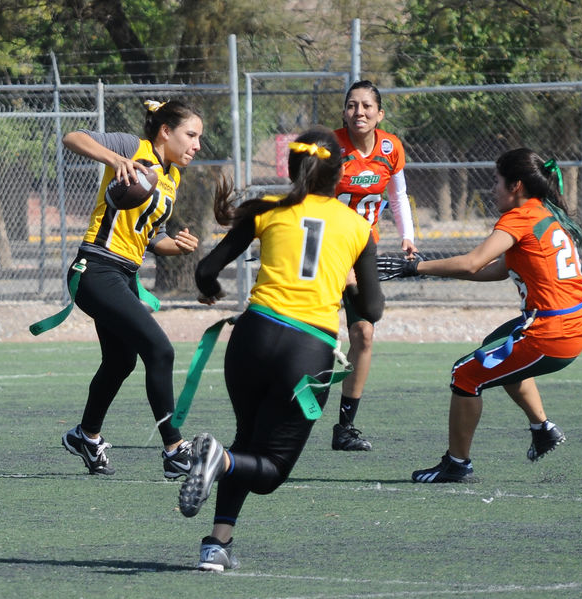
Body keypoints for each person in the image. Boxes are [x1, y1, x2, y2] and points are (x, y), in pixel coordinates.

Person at [178, 127, 384, 571]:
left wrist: (210, 289)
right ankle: (218, 463)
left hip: (251, 338)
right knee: (269, 471)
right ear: (340, 173)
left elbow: (207, 269)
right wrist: (347, 284)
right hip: (306, 352)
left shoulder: (267, 208)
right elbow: (373, 309)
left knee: (244, 444)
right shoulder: (357, 226)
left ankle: (216, 544)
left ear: (292, 169)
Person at [377, 148, 582, 483]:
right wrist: (429, 271)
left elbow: (471, 261)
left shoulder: (519, 217)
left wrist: (414, 268)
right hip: (573, 323)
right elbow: (493, 270)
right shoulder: (543, 211)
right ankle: (543, 429)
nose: (492, 188)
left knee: (465, 374)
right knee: (495, 345)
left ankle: (457, 464)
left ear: (516, 186)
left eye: (497, 181)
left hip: (554, 331)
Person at [59, 99, 203, 478]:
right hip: (95, 268)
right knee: (159, 350)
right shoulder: (133, 147)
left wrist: (177, 245)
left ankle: (85, 436)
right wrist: (114, 159)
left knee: (120, 361)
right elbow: (71, 137)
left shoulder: (173, 178)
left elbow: (147, 238)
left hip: (123, 274)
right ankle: (174, 450)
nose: (197, 145)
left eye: (199, 138)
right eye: (191, 135)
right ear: (165, 132)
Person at [331, 80, 417, 451]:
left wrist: (407, 235)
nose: (359, 112)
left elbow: (397, 194)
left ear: (380, 113)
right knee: (311, 334)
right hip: (326, 250)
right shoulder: (329, 147)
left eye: (367, 106)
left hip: (364, 250)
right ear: (344, 112)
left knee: (364, 333)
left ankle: (345, 428)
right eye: (352, 105)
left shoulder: (390, 147)